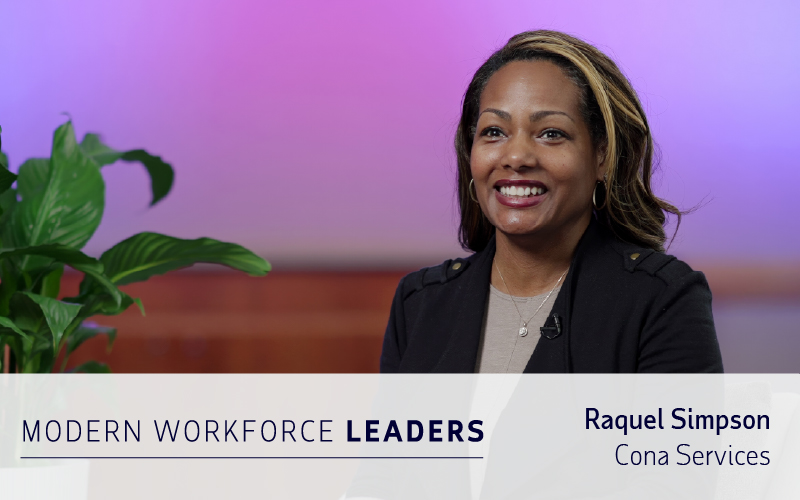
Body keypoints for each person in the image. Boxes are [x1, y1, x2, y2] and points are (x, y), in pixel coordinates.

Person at [379, 30, 723, 374]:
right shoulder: (420, 303)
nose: (516, 157)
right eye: (494, 132)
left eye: (551, 134)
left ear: (602, 156)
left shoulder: (662, 298)